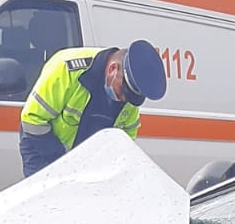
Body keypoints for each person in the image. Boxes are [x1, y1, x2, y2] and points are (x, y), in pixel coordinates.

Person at [18, 39, 167, 178]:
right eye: (122, 92)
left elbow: (125, 142)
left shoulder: (128, 95)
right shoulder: (67, 69)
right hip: (41, 149)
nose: (123, 99)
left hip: (84, 164)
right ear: (112, 69)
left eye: (128, 97)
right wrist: (64, 162)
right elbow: (32, 120)